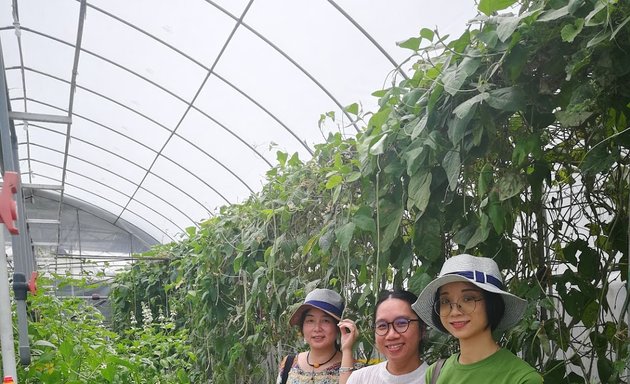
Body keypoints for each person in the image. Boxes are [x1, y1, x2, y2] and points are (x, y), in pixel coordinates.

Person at [413, 253, 543, 384]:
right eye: (445, 301)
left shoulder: (522, 379)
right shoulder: (436, 372)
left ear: (492, 303)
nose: (455, 311)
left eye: (468, 299)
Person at [276, 288, 359, 384]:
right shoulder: (288, 364)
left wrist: (347, 350)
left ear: (338, 327)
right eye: (310, 321)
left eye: (325, 321)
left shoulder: (357, 370)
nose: (317, 328)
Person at [347, 290, 428, 383]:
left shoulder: (439, 380)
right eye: (382, 326)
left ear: (422, 329)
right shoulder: (360, 379)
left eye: (401, 323)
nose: (391, 335)